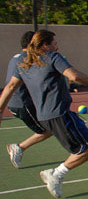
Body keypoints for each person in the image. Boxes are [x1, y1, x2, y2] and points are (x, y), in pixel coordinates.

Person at [0, 30, 88, 198]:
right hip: (59, 114)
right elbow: (74, 76)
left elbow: (10, 87)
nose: (57, 46)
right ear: (45, 45)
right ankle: (56, 174)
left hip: (46, 116)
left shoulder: (25, 63)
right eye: (54, 43)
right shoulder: (53, 57)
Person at [4, 31, 53, 169]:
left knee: (51, 125)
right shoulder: (28, 58)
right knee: (49, 130)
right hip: (22, 103)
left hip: (17, 102)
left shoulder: (15, 58)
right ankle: (19, 147)